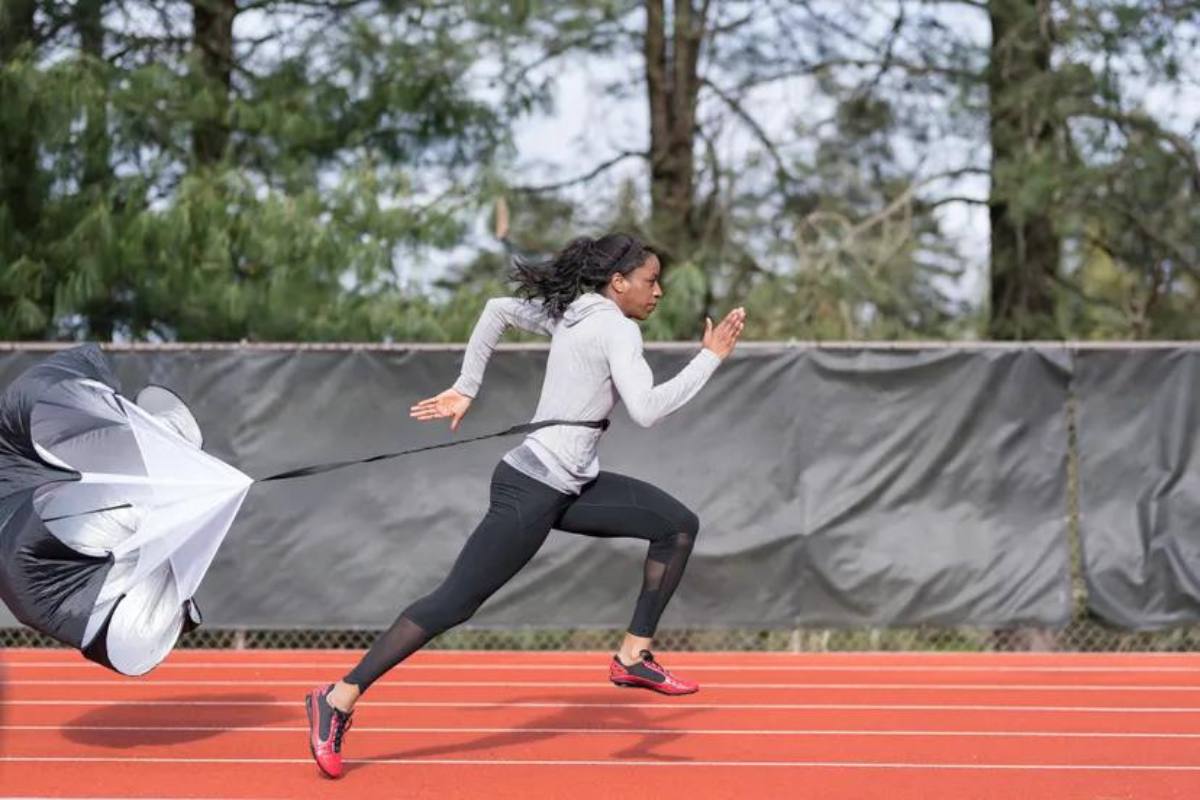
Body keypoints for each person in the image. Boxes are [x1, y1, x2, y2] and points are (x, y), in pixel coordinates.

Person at [305, 232, 746, 778]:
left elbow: (497, 310)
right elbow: (648, 410)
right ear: (618, 283)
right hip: (533, 487)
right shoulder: (614, 328)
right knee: (454, 603)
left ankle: (633, 656)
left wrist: (469, 386)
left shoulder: (576, 312)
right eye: (650, 281)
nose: (658, 292)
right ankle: (338, 697)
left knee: (677, 526)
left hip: (572, 483)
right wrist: (709, 359)